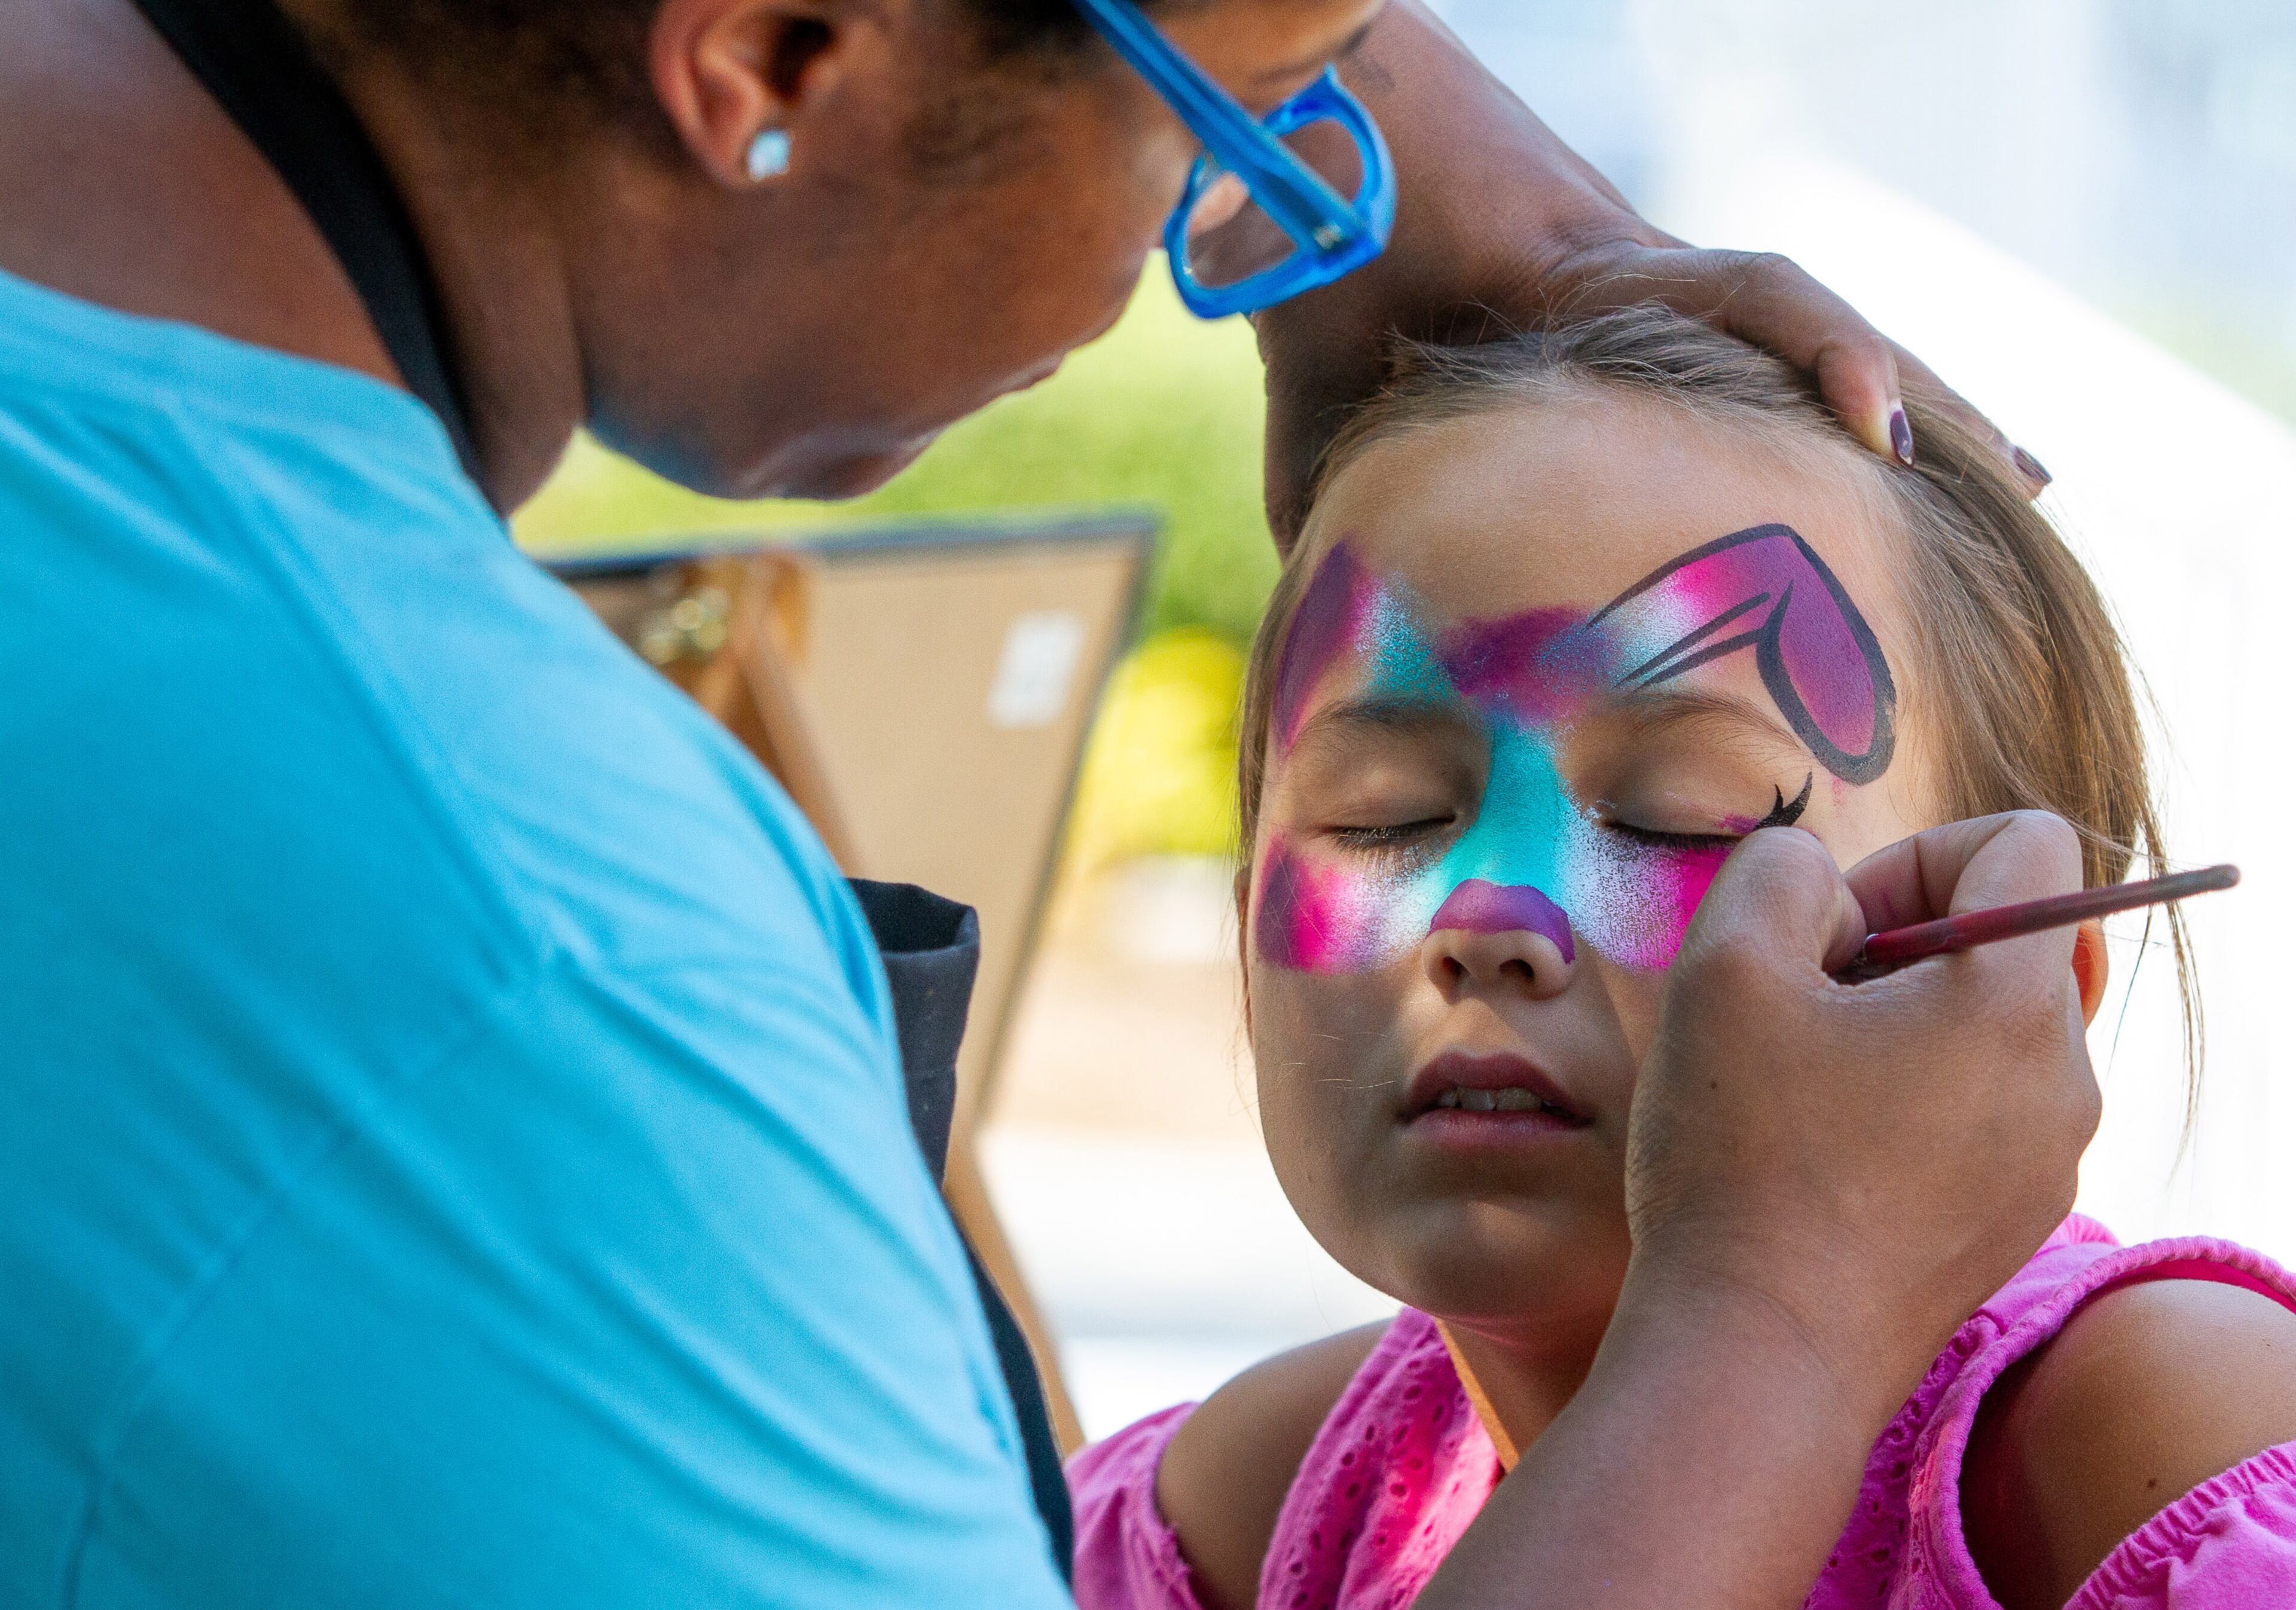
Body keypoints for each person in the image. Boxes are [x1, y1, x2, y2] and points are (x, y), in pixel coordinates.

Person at [0, 0, 2087, 1603]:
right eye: (1222, 122)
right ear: (767, 65)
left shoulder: (2140, 1453)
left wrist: (1311, 81)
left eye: (1691, 802)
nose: (1248, 231)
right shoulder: (538, 978)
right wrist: (1774, 1325)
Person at [1068, 310, 2296, 1610]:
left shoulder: (2149, 1444)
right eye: (1380, 812)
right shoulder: (1266, 1509)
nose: (1486, 919)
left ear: (2016, 991)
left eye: (1674, 819)